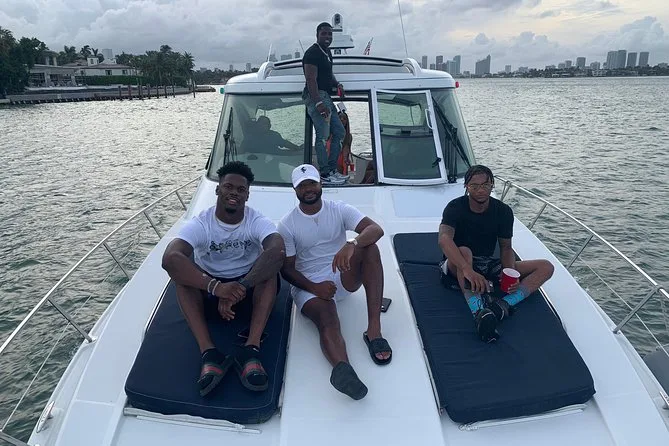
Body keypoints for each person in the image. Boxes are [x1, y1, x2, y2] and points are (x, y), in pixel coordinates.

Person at [161, 161, 286, 396]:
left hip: (246, 287)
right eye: (228, 187)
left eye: (241, 189)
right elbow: (170, 258)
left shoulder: (255, 220)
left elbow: (277, 250)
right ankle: (209, 353)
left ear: (247, 195)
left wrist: (239, 288)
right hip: (211, 290)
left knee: (269, 273)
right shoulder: (202, 223)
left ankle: (251, 347)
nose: (234, 193)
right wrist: (217, 288)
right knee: (182, 280)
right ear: (218, 189)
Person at [278, 164, 392, 401]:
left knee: (370, 248)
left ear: (320, 183)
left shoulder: (339, 209)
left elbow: (375, 229)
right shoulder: (287, 224)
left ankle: (374, 331)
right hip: (309, 284)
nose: (308, 189)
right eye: (302, 186)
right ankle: (344, 370)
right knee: (327, 317)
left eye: (312, 183)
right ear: (295, 190)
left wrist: (352, 243)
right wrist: (314, 287)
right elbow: (287, 270)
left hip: (341, 273)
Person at [438, 165, 554, 342]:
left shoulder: (503, 211)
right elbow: (444, 239)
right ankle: (479, 311)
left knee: (546, 267)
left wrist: (509, 273)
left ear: (492, 185)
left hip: (487, 263)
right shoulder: (455, 207)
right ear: (466, 187)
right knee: (464, 251)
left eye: (485, 185)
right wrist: (468, 270)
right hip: (458, 264)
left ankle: (501, 306)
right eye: (474, 186)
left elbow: (506, 248)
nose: (480, 190)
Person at [302, 22, 348, 185]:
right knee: (322, 136)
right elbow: (310, 79)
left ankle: (332, 170)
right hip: (317, 96)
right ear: (317, 35)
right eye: (324, 34)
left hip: (326, 96)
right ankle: (324, 173)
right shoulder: (312, 53)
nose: (327, 37)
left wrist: (337, 84)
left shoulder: (326, 52)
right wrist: (318, 103)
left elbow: (328, 74)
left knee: (340, 132)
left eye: (330, 34)